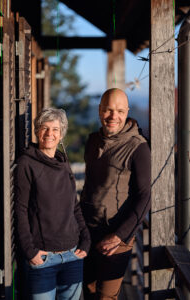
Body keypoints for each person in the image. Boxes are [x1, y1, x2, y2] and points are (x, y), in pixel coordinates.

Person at [80, 88, 151, 300]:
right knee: (89, 292)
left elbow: (144, 197)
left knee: (106, 297)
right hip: (88, 231)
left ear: (127, 111)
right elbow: (90, 187)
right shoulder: (93, 141)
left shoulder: (138, 148)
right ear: (100, 110)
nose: (113, 116)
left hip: (117, 234)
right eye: (108, 110)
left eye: (120, 111)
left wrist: (119, 236)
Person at [15, 107, 91, 300]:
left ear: (61, 134)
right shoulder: (27, 163)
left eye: (55, 129)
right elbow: (21, 209)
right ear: (37, 130)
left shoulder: (63, 163)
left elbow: (74, 206)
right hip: (43, 258)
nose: (49, 133)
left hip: (72, 255)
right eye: (44, 128)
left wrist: (86, 239)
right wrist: (30, 251)